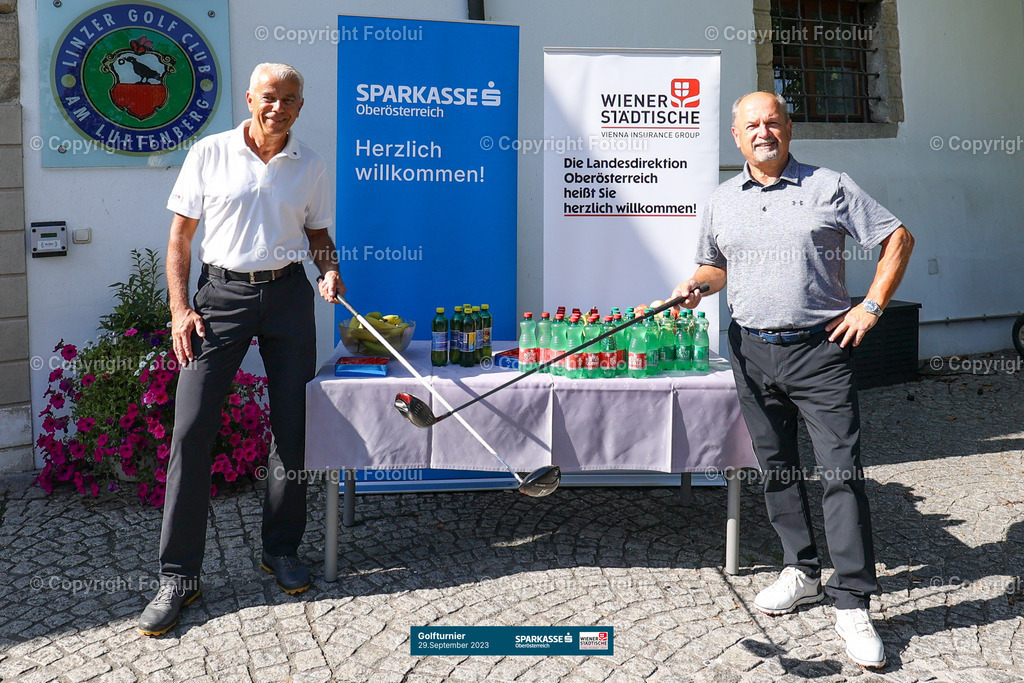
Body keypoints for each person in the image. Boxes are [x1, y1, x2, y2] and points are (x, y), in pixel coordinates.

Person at [672, 91, 914, 669]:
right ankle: (801, 570)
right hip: (750, 349)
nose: (763, 132)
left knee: (840, 472)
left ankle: (852, 599)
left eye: (773, 122)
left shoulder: (829, 185)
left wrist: (872, 307)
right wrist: (697, 285)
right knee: (776, 466)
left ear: (789, 128)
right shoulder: (722, 200)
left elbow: (897, 238)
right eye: (751, 125)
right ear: (736, 136)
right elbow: (717, 264)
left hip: (820, 351)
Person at [138, 63, 345, 636]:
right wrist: (181, 310)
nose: (280, 107)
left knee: (293, 428)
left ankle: (280, 549)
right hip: (221, 296)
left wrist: (329, 272)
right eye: (270, 97)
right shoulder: (210, 152)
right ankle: (178, 576)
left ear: (301, 107)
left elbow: (319, 236)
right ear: (250, 97)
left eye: (292, 99)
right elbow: (180, 237)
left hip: (286, 297)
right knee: (192, 429)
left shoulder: (311, 163)